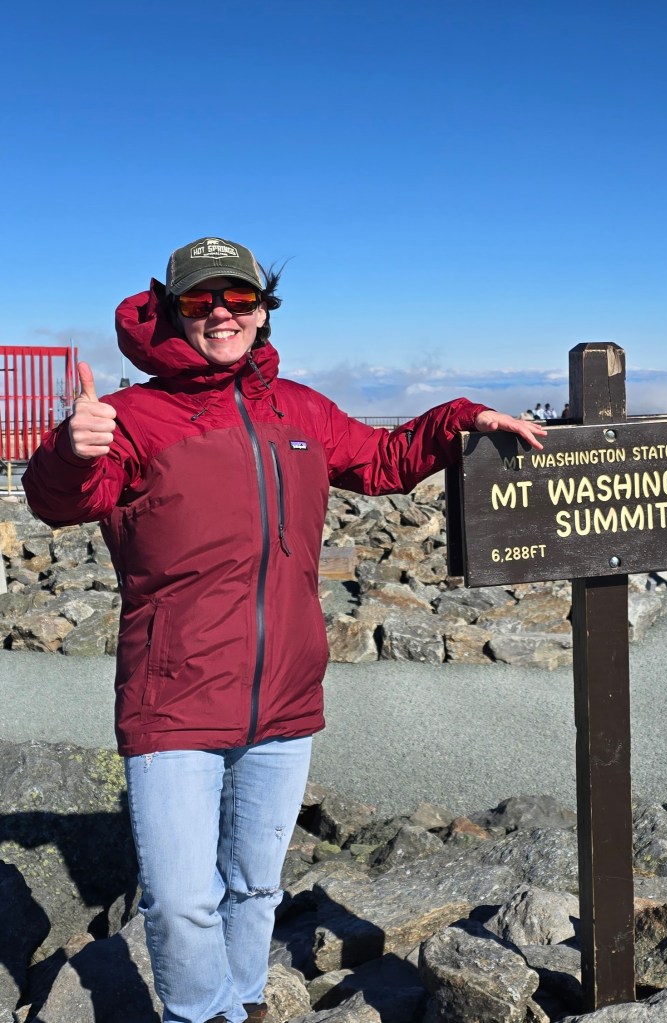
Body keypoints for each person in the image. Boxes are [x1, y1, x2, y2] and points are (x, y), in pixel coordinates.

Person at [22, 236, 547, 1023]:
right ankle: (202, 1014)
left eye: (239, 298)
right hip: (175, 703)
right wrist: (67, 450)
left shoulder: (297, 409)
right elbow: (61, 500)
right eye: (201, 301)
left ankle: (244, 1000)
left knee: (257, 884)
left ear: (264, 310)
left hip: (286, 699)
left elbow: (383, 460)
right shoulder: (131, 418)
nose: (222, 313)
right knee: (178, 899)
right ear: (172, 311)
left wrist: (460, 418)